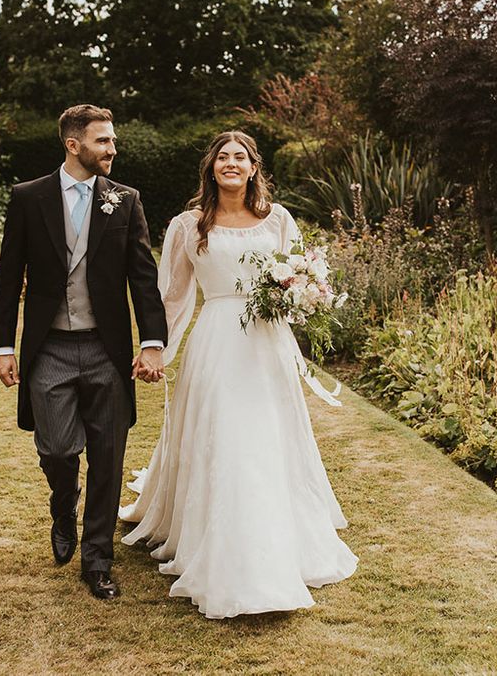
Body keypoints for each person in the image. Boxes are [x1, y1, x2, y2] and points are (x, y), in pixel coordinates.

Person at [119, 131, 357, 618]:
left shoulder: (280, 219)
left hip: (266, 343)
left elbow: (300, 277)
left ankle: (274, 535)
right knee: (224, 436)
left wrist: (303, 296)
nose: (231, 163)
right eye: (223, 157)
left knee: (267, 435)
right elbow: (174, 295)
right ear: (212, 167)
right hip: (216, 342)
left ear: (253, 167)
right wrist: (154, 347)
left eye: (240, 157)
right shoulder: (189, 225)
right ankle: (219, 538)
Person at [0, 104, 168, 600]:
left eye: (113, 141)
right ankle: (62, 502)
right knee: (56, 448)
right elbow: (9, 278)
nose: (113, 149)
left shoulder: (125, 200)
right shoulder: (28, 197)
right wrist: (5, 346)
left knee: (109, 457)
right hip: (48, 348)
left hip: (105, 349)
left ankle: (97, 560)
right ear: (74, 145)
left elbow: (142, 276)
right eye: (104, 141)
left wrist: (152, 342)